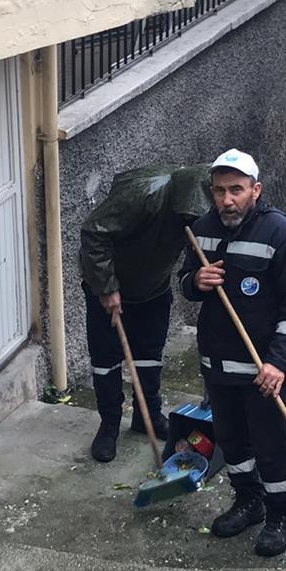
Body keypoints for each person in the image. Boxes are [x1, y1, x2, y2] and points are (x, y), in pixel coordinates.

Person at [179, 149, 286, 557]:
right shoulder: (201, 229)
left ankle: (280, 513)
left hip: (264, 369)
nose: (227, 199)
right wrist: (195, 280)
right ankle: (248, 500)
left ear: (255, 190)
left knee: (270, 444)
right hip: (218, 363)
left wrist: (278, 362)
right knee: (233, 442)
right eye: (219, 191)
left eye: (236, 190)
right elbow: (184, 284)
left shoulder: (280, 234)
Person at [78, 165, 211, 462]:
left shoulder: (201, 210)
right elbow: (93, 233)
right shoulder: (144, 194)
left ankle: (147, 417)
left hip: (154, 286)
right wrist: (107, 287)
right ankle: (109, 425)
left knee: (149, 355)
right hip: (109, 284)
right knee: (106, 359)